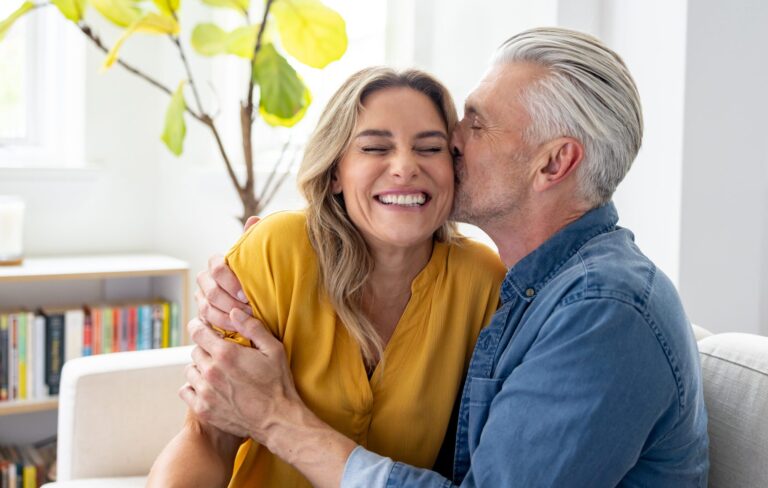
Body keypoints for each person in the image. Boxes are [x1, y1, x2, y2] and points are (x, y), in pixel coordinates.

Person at [186, 26, 710, 487]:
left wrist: (276, 417)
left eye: (476, 125)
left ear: (553, 164)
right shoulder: (533, 291)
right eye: (375, 147)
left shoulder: (600, 310)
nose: (452, 142)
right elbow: (206, 435)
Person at [147, 67, 507, 487]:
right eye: (375, 148)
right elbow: (208, 436)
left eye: (430, 148)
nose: (405, 167)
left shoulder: (484, 280)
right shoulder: (275, 251)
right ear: (335, 172)